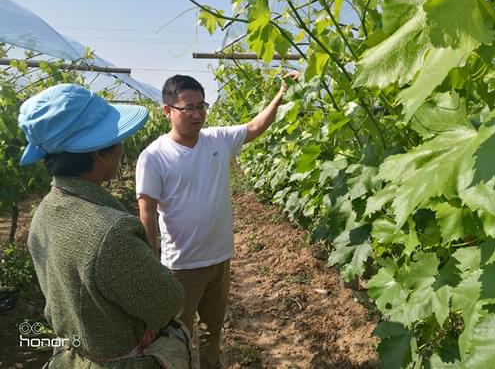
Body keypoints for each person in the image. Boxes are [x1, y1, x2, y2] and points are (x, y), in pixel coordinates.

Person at [18, 83, 191, 369]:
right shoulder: (110, 233)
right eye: (117, 137)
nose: (123, 146)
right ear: (98, 152)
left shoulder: (44, 213)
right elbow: (167, 301)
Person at [135, 72, 298, 369]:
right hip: (181, 266)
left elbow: (254, 127)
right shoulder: (154, 156)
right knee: (178, 334)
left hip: (220, 259)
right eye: (189, 108)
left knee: (213, 329)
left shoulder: (217, 140)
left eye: (202, 106)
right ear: (168, 111)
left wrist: (282, 93)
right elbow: (147, 210)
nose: (198, 114)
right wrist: (151, 262)